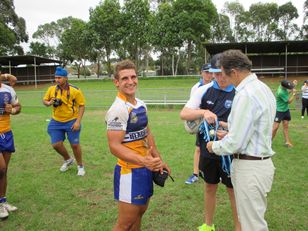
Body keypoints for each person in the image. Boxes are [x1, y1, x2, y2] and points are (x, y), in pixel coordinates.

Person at [206, 49, 276, 231]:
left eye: (225, 75)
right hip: (260, 164)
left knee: (252, 225)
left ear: (234, 72)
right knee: (253, 221)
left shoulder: (245, 94)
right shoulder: (263, 89)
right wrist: (231, 129)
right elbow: (257, 126)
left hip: (249, 167)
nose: (225, 80)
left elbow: (235, 143)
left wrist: (214, 146)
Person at [105, 59, 170, 231]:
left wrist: (158, 160)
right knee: (125, 223)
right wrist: (144, 161)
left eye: (133, 77)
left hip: (144, 168)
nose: (130, 81)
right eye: (125, 78)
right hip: (129, 171)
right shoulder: (118, 109)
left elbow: (147, 134)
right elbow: (114, 146)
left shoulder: (140, 105)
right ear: (116, 82)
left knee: (139, 214)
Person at [180, 54, 241, 231]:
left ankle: (239, 226)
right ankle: (208, 224)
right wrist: (203, 112)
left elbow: (244, 125)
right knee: (209, 186)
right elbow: (184, 114)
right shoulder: (203, 90)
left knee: (232, 190)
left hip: (231, 150)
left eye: (223, 73)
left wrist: (229, 130)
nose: (219, 77)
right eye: (215, 73)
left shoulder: (239, 92)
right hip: (208, 150)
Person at [43, 67, 86, 176]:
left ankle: (80, 166)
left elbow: (82, 106)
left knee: (75, 145)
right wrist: (48, 103)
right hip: (56, 121)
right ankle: (68, 159)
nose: (57, 80)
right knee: (56, 145)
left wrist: (78, 122)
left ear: (66, 78)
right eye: (56, 77)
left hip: (71, 121)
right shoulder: (51, 89)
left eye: (59, 77)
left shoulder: (75, 90)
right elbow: (44, 100)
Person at [185, 63, 212, 184]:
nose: (209, 74)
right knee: (198, 148)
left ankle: (217, 172)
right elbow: (191, 108)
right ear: (201, 72)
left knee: (215, 147)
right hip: (201, 122)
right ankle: (195, 174)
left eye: (211, 72)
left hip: (214, 121)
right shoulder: (196, 87)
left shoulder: (215, 85)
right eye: (206, 72)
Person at [0, 68, 21, 219]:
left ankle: (2, 201)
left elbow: (18, 106)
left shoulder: (8, 90)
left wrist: (12, 110)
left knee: (4, 170)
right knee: (0, 168)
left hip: (6, 133)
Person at [272, 79, 297, 147]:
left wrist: (293, 85)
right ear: (284, 87)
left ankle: (287, 142)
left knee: (285, 126)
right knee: (275, 128)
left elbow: (287, 91)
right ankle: (268, 143)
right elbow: (289, 101)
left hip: (286, 110)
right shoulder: (280, 92)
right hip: (279, 111)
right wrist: (294, 94)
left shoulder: (283, 86)